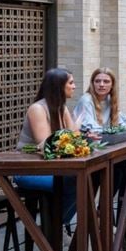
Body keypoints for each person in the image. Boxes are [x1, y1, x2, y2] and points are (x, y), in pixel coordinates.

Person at [73, 68, 126, 227]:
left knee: (121, 166)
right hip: (85, 153)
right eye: (98, 81)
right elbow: (92, 129)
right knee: (120, 167)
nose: (101, 85)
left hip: (103, 151)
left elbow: (121, 125)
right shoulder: (86, 99)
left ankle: (105, 213)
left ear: (112, 85)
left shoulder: (110, 100)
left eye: (106, 81)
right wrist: (124, 132)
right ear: (92, 83)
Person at [15, 68, 80, 227]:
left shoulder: (62, 108)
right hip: (30, 171)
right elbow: (46, 144)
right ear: (59, 86)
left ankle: (56, 224)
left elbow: (76, 138)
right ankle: (53, 227)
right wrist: (74, 137)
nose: (74, 86)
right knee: (76, 181)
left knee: (91, 178)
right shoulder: (37, 109)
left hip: (55, 169)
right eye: (71, 83)